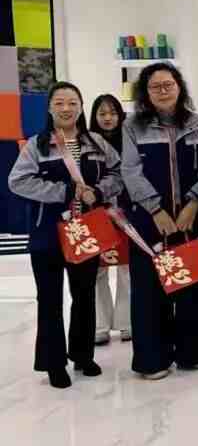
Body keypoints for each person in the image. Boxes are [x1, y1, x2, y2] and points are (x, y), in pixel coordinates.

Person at [9, 82, 122, 389]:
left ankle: (83, 356)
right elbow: (18, 181)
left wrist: (99, 191)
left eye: (72, 102)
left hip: (86, 230)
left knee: (84, 295)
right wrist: (64, 192)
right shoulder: (37, 145)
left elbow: (117, 174)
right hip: (47, 232)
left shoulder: (96, 142)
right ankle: (54, 362)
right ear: (49, 108)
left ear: (81, 107)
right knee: (49, 299)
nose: (66, 108)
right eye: (59, 103)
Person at [120, 63, 198, 380]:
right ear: (145, 93)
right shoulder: (132, 126)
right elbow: (130, 170)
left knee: (193, 285)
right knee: (149, 289)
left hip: (191, 218)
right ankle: (153, 359)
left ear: (179, 87)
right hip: (150, 221)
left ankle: (192, 354)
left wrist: (193, 203)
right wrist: (155, 209)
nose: (163, 91)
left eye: (168, 84)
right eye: (155, 86)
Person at [89, 93, 131, 345]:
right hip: (95, 214)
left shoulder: (129, 139)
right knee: (97, 270)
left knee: (127, 268)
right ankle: (99, 326)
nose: (108, 118)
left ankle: (127, 323)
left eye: (113, 113)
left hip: (126, 213)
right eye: (102, 113)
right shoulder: (85, 142)